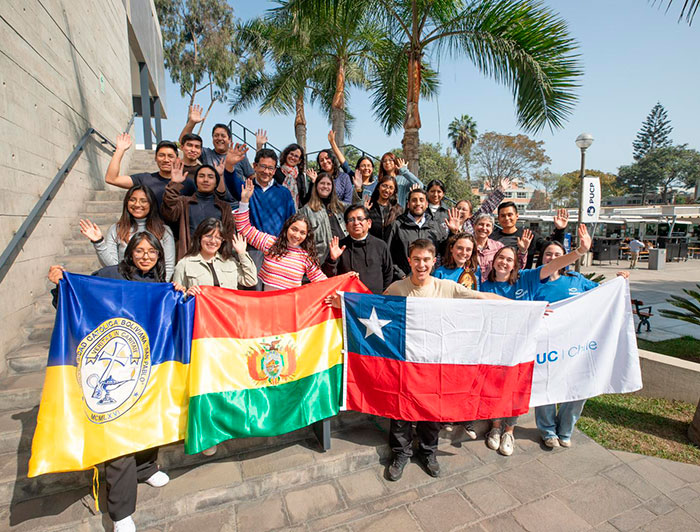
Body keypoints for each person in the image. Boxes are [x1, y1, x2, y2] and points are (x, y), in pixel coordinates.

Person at [48, 232, 183, 532]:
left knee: (148, 423)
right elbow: (80, 300)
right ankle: (120, 512)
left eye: (152, 251)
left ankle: (146, 468)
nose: (146, 256)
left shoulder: (161, 287)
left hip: (148, 369)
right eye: (140, 250)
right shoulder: (110, 274)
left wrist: (182, 295)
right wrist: (61, 284)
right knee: (119, 438)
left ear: (160, 256)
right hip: (113, 373)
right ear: (129, 252)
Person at [382, 239, 505, 481]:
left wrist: (528, 308)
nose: (421, 264)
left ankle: (428, 452)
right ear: (409, 260)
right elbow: (369, 307)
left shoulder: (446, 287)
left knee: (432, 409)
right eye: (416, 259)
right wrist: (342, 304)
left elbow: (483, 297)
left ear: (433, 261)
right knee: (401, 411)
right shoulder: (397, 288)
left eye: (426, 259)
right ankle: (401, 453)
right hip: (405, 363)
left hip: (435, 363)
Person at [480, 225, 593, 457]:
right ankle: (494, 427)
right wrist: (528, 308)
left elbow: (553, 265)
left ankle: (509, 431)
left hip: (523, 345)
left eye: (509, 259)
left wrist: (580, 251)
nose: (504, 262)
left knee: (516, 389)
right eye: (500, 257)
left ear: (516, 264)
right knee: (497, 387)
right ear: (493, 261)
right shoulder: (483, 284)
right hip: (496, 345)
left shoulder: (527, 278)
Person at [533, 241, 630, 449]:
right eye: (548, 254)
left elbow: (603, 296)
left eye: (558, 254)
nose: (552, 258)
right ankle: (548, 431)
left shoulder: (576, 280)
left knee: (579, 387)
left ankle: (566, 430)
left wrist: (619, 281)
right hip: (547, 347)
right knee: (546, 386)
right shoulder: (535, 282)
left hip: (577, 346)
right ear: (541, 257)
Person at [235, 179, 326, 290]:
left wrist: (348, 279)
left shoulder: (306, 256)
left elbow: (321, 280)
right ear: (287, 228)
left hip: (290, 305)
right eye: (294, 229)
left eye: (302, 233)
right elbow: (244, 229)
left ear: (307, 235)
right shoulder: (270, 243)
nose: (297, 235)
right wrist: (244, 201)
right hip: (267, 303)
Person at [224, 146, 296, 287]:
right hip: (252, 250)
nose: (266, 171)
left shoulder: (284, 193)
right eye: (262, 166)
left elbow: (291, 221)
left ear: (275, 170)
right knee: (254, 290)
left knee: (275, 292)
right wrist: (229, 165)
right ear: (255, 166)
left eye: (270, 168)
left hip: (277, 249)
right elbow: (231, 182)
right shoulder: (247, 188)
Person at [79, 185, 176, 280]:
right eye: (132, 200)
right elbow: (112, 267)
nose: (137, 204)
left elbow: (168, 266)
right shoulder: (116, 229)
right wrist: (98, 242)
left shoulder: (164, 231)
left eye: (143, 201)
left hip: (153, 287)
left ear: (151, 204)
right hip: (124, 286)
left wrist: (161, 289)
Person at [160, 161, 234, 260]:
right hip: (189, 256)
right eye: (201, 176)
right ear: (196, 180)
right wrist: (174, 184)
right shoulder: (184, 202)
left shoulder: (224, 207)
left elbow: (229, 234)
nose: (206, 180)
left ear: (216, 182)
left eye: (210, 177)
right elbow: (169, 213)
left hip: (216, 258)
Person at [105, 134, 195, 207]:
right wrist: (120, 150)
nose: (166, 160)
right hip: (151, 228)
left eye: (170, 156)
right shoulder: (145, 179)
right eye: (161, 155)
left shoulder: (187, 183)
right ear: (155, 158)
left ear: (177, 159)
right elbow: (112, 179)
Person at [323, 204, 393, 294]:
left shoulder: (380, 245)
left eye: (360, 219)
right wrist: (332, 260)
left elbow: (388, 274)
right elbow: (328, 278)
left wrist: (381, 296)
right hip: (347, 302)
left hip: (374, 302)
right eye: (351, 220)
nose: (356, 223)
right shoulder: (339, 247)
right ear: (346, 226)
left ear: (369, 223)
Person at [179, 104, 255, 178]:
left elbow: (252, 176)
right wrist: (191, 123)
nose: (219, 138)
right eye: (216, 135)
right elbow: (183, 141)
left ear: (229, 140)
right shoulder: (206, 154)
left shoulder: (239, 157)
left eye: (223, 136)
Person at [387, 188, 446, 280]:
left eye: (421, 200)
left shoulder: (434, 226)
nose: (418, 203)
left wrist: (453, 233)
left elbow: (443, 251)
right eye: (414, 200)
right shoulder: (397, 225)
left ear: (426, 204)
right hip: (403, 281)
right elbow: (387, 253)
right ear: (408, 204)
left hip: (428, 280)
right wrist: (400, 274)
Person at [492, 202, 568, 268]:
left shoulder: (528, 235)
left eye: (510, 215)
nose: (506, 218)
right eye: (503, 216)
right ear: (498, 218)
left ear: (517, 216)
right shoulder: (491, 238)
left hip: (522, 281)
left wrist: (560, 230)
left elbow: (552, 248)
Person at [299, 173, 347, 262]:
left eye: (328, 184)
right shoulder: (306, 210)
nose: (325, 186)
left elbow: (356, 210)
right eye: (322, 183)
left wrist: (358, 189)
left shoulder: (340, 207)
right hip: (322, 259)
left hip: (343, 255)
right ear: (316, 185)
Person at [469, 213, 527, 281]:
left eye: (488, 225)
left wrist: (523, 250)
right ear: (474, 226)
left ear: (492, 229)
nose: (484, 228)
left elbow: (516, 266)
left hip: (491, 288)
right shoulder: (467, 245)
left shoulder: (498, 247)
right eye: (481, 224)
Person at [444, 179, 510, 235]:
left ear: (470, 215)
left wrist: (501, 189)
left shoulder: (471, 224)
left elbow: (487, 207)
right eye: (458, 208)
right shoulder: (445, 224)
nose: (460, 211)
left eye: (464, 209)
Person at [327, 132, 377, 200]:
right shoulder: (352, 177)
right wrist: (332, 142)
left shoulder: (377, 184)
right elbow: (342, 161)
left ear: (372, 168)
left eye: (369, 166)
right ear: (358, 168)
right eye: (363, 166)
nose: (366, 168)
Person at [366, 175, 403, 242]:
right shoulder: (369, 206)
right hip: (372, 247)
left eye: (391, 188)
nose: (387, 190)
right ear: (378, 187)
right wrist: (365, 212)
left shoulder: (398, 210)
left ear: (394, 191)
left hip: (391, 249)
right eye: (384, 186)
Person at [274, 143, 307, 208]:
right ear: (286, 155)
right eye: (291, 154)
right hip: (278, 210)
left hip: (295, 212)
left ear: (299, 161)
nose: (293, 157)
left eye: (296, 156)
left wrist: (313, 182)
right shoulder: (276, 172)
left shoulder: (300, 175)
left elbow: (303, 199)